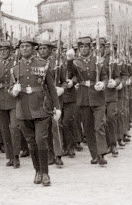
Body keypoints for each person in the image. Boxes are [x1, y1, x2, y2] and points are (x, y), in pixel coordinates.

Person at [10, 37, 61, 186]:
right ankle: (37, 171)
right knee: (31, 143)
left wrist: (57, 107)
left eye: (27, 46)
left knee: (41, 140)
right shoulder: (15, 69)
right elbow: (10, 88)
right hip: (23, 110)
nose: (24, 49)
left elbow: (51, 88)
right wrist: (13, 90)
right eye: (22, 46)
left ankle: (45, 173)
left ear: (34, 49)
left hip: (41, 108)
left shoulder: (43, 65)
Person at [66, 36, 109, 166]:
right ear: (79, 49)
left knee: (99, 126)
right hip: (84, 98)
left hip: (98, 97)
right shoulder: (76, 62)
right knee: (89, 128)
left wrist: (103, 84)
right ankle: (94, 154)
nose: (84, 49)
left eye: (86, 47)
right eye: (81, 47)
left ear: (90, 48)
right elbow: (70, 71)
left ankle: (101, 153)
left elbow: (105, 76)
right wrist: (69, 59)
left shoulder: (98, 61)